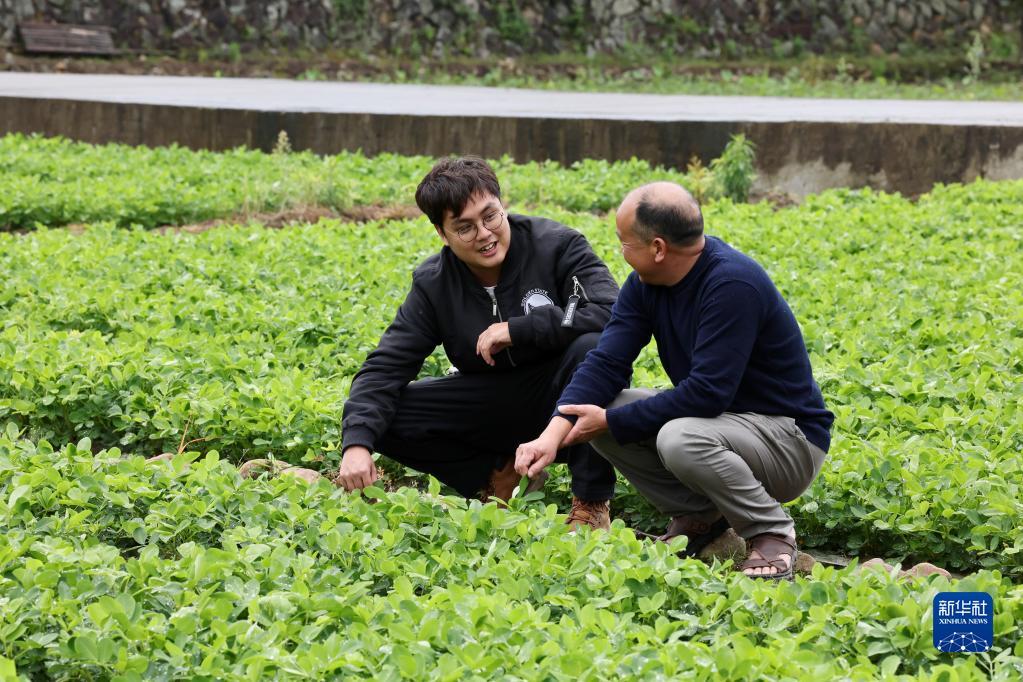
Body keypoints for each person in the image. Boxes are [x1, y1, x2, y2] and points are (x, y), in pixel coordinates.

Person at [515, 181, 834, 578]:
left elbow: (707, 394)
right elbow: (606, 361)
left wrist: (612, 422)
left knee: (676, 436)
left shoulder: (732, 284)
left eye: (624, 242)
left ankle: (770, 532)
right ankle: (701, 519)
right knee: (604, 411)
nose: (621, 252)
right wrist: (554, 430)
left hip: (789, 441)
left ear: (658, 248)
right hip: (725, 427)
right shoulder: (646, 284)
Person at [337, 156, 620, 530]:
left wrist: (519, 329)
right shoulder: (434, 283)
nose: (484, 234)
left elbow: (612, 310)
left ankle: (590, 501)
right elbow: (385, 367)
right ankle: (495, 476)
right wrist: (356, 445)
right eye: (465, 227)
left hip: (562, 393)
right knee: (385, 416)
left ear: (503, 206)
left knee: (591, 348)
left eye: (491, 216)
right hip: (492, 400)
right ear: (442, 233)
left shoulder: (557, 245)